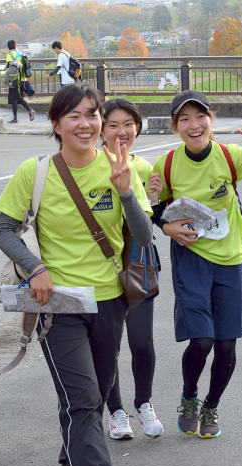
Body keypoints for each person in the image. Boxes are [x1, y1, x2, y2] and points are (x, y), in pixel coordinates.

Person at [0, 84, 152, 466]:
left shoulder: (121, 167)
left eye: (92, 114)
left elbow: (144, 236)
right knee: (82, 399)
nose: (86, 123)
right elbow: (3, 230)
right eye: (74, 116)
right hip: (57, 304)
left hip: (110, 301)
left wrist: (126, 192)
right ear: (56, 124)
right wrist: (35, 268)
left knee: (91, 399)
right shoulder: (35, 171)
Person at [151, 90, 242, 439]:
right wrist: (164, 223)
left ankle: (211, 406)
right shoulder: (166, 164)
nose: (194, 125)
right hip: (191, 258)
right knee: (202, 340)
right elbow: (154, 209)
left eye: (200, 117)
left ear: (211, 120)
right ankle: (189, 397)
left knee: (226, 344)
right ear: (174, 126)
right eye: (184, 119)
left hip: (231, 259)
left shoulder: (230, 157)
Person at [100, 98, 164, 441]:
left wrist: (154, 199)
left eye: (129, 124)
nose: (121, 131)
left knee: (141, 341)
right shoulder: (91, 165)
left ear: (138, 127)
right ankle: (116, 411)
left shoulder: (143, 167)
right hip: (103, 266)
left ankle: (144, 403)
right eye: (113, 125)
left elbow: (147, 219)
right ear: (101, 129)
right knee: (108, 344)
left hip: (139, 262)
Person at [5, 39, 35, 124]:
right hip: (23, 80)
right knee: (19, 98)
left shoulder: (10, 54)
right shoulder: (22, 54)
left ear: (8, 47)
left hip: (15, 80)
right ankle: (29, 111)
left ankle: (15, 118)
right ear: (16, 46)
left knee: (13, 99)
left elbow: (9, 66)